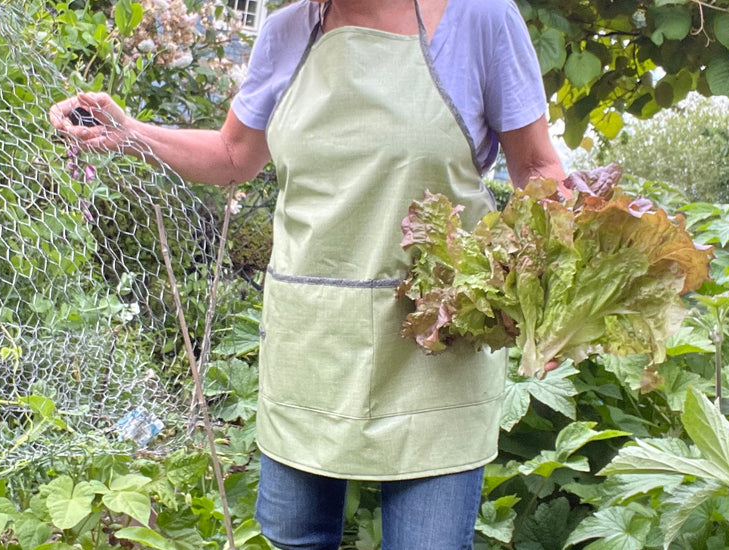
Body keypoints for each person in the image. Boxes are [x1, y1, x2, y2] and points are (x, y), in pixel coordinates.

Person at [50, 0, 565, 547]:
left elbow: (536, 167)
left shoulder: (480, 18)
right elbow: (233, 155)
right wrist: (129, 133)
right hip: (310, 344)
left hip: (433, 349)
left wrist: (550, 292)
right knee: (295, 538)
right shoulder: (286, 32)